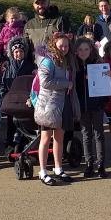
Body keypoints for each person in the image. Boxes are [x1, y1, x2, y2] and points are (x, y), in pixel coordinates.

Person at [32, 32, 75, 185]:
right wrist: (66, 84)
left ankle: (58, 168)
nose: (64, 48)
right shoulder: (47, 61)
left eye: (66, 46)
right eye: (61, 45)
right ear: (54, 45)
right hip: (48, 105)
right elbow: (45, 82)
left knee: (59, 137)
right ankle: (42, 171)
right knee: (45, 138)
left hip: (61, 104)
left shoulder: (65, 60)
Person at [73, 37, 108, 178]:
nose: (83, 52)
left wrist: (109, 76)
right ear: (76, 51)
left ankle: (101, 165)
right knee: (86, 135)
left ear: (91, 49)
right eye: (80, 49)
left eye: (86, 49)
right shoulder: (74, 66)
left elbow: (106, 84)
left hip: (97, 104)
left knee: (99, 134)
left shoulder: (97, 63)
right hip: (82, 106)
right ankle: (89, 164)